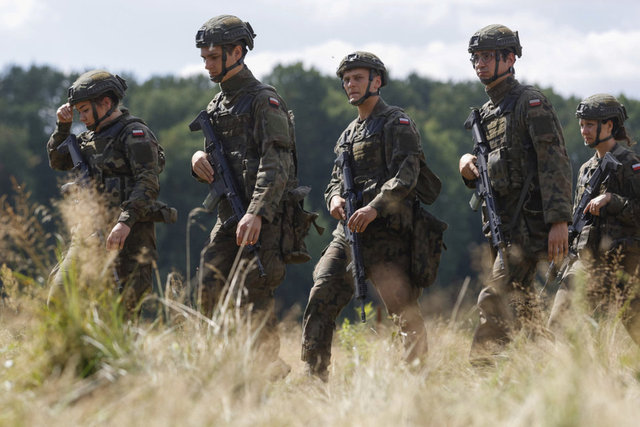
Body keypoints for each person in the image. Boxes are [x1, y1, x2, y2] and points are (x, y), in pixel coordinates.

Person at [301, 51, 442, 381]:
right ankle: (313, 377)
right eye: (346, 80)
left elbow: (406, 175)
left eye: (358, 78)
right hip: (348, 232)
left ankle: (416, 379)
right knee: (321, 293)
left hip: (388, 234)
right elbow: (334, 181)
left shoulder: (397, 122)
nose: (350, 84)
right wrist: (334, 198)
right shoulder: (346, 135)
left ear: (376, 81)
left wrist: (374, 207)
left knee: (402, 311)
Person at [190, 15, 301, 374]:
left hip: (265, 218)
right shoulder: (216, 106)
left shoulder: (263, 101)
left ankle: (266, 370)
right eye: (204, 57)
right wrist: (197, 159)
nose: (206, 64)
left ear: (237, 52)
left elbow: (277, 162)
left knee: (252, 292)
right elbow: (221, 163)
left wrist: (256, 211)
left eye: (213, 56)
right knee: (207, 287)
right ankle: (226, 367)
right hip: (229, 218)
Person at [458, 25, 573, 361]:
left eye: (487, 56)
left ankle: (481, 373)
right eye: (475, 57)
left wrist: (559, 221)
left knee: (493, 299)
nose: (479, 63)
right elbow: (493, 173)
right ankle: (559, 368)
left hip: (532, 225)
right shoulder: (486, 114)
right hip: (505, 229)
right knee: (524, 312)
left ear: (509, 59)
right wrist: (467, 166)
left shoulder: (530, 103)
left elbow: (554, 162)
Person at [47, 69, 173, 315]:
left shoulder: (134, 133)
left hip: (129, 236)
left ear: (105, 103)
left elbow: (148, 183)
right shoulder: (86, 139)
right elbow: (57, 162)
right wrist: (62, 127)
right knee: (59, 299)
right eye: (78, 111)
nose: (81, 117)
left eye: (85, 110)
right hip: (87, 234)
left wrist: (124, 222)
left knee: (123, 312)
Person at [548, 94, 640, 345]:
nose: (583, 131)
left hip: (626, 263)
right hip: (588, 261)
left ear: (609, 126)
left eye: (590, 124)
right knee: (559, 324)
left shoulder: (630, 164)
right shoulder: (586, 169)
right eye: (581, 125)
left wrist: (612, 200)